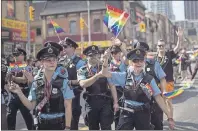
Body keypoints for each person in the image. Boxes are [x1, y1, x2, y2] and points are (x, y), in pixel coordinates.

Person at [102, 48, 175, 130]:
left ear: (144, 62)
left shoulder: (149, 79)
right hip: (127, 112)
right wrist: (105, 60)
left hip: (143, 113)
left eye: (141, 60)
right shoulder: (124, 76)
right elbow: (105, 73)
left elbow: (158, 98)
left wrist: (169, 117)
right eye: (135, 61)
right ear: (131, 63)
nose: (138, 63)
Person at [8, 44, 74, 130]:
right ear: (42, 62)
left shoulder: (64, 82)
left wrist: (68, 127)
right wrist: (19, 93)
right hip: (41, 124)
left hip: (59, 124)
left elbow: (68, 106)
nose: (52, 62)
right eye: (48, 60)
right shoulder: (36, 82)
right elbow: (31, 106)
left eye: (54, 60)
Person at [77, 45, 119, 130]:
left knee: (106, 127)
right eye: (91, 55)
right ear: (86, 57)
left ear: (99, 56)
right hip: (91, 102)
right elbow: (83, 84)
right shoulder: (82, 70)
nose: (93, 57)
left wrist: (115, 102)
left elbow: (112, 85)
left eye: (96, 55)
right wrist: (96, 76)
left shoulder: (104, 68)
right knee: (93, 127)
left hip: (105, 101)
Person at [133, 41, 167, 130]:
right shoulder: (131, 65)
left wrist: (164, 93)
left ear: (146, 52)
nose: (140, 53)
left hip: (154, 102)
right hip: (139, 104)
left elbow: (162, 79)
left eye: (142, 51)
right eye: (138, 51)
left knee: (157, 126)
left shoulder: (154, 64)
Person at [155, 27, 183, 118]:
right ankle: (160, 120)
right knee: (159, 102)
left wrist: (179, 37)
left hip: (168, 82)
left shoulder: (169, 54)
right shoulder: (154, 58)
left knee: (168, 102)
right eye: (159, 45)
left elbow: (177, 47)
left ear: (165, 46)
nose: (161, 47)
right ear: (157, 47)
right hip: (158, 83)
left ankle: (170, 119)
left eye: (162, 45)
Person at [59, 37, 86, 130]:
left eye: (66, 46)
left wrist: (68, 82)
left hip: (74, 95)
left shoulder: (80, 62)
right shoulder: (60, 61)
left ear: (73, 48)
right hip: (61, 95)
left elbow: (81, 80)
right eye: (63, 46)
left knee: (73, 123)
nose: (64, 48)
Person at [5, 48, 33, 130]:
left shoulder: (27, 67)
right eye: (14, 55)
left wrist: (13, 78)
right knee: (10, 116)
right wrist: (8, 82)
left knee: (27, 117)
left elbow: (24, 80)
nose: (15, 57)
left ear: (23, 55)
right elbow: (7, 79)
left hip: (24, 93)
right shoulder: (12, 66)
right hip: (13, 94)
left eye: (17, 55)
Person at [109, 45, 127, 128]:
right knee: (116, 114)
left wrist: (121, 46)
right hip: (113, 90)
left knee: (125, 114)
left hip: (124, 90)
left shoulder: (124, 63)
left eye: (117, 52)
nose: (115, 54)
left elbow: (129, 57)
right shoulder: (109, 64)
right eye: (113, 53)